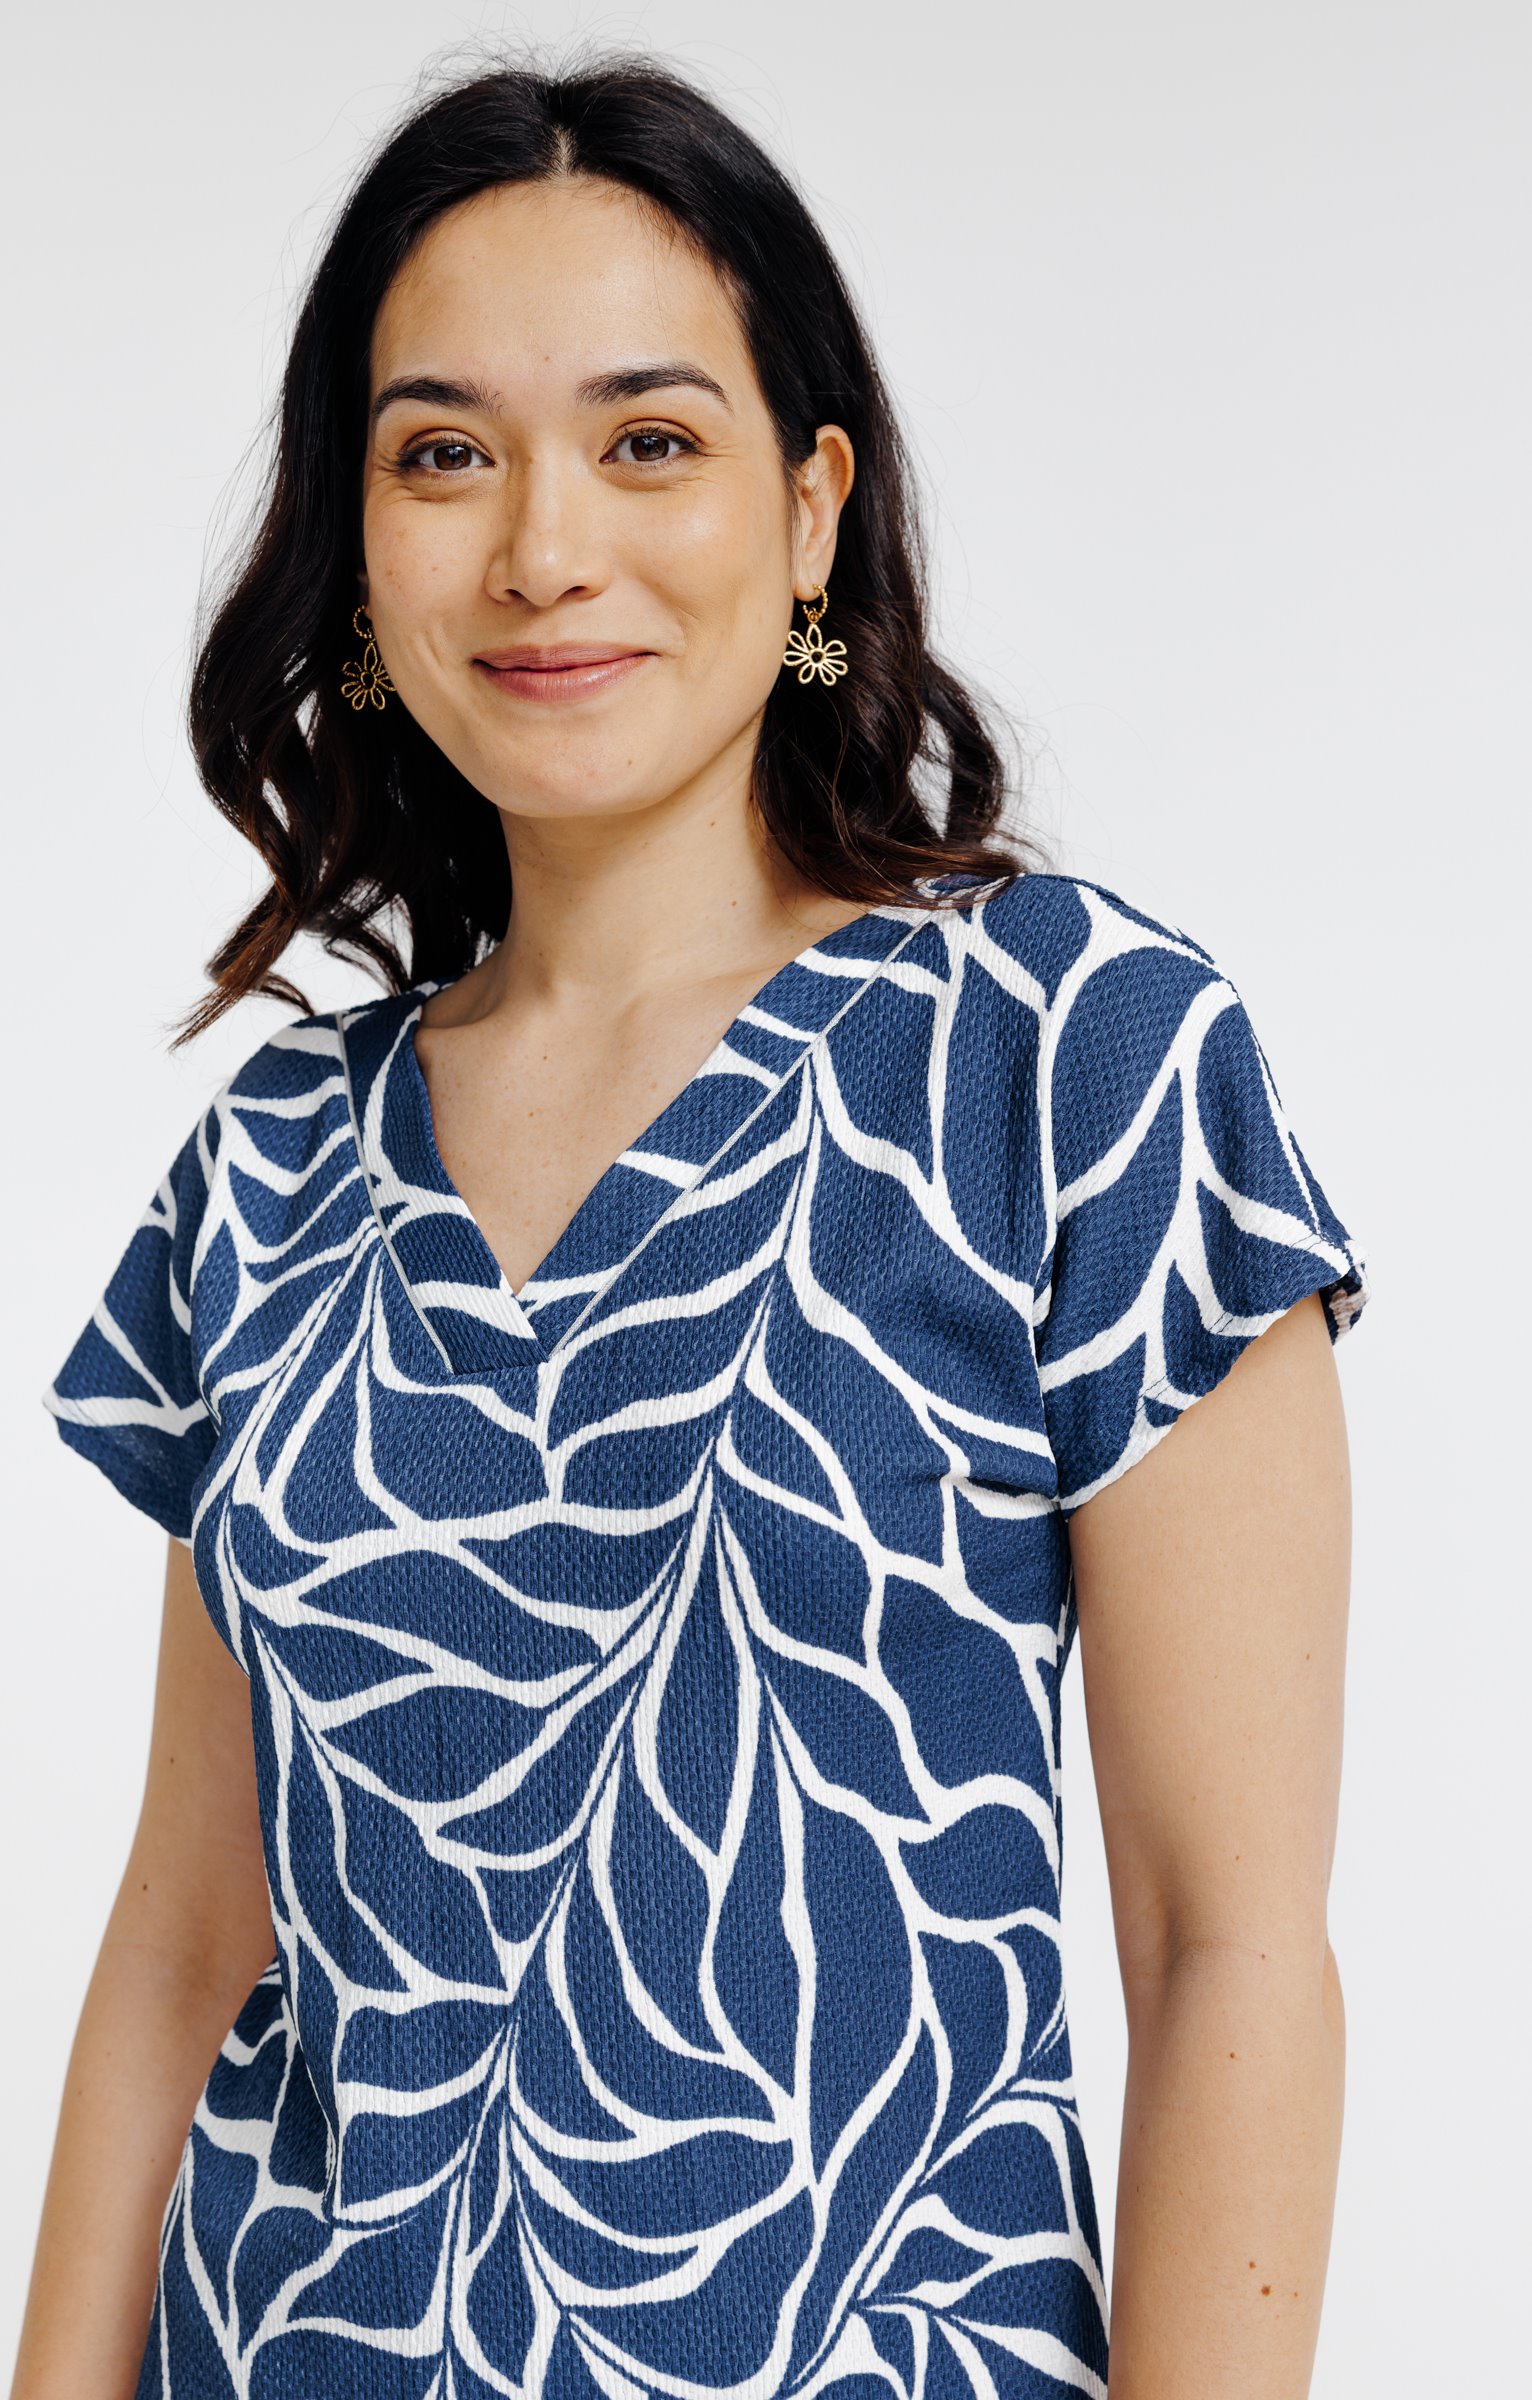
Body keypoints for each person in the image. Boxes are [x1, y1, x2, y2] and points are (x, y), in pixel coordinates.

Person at [15, 48, 1370, 2400]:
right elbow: (186, 1941)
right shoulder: (271, 1165)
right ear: (358, 547)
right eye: (443, 453)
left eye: (647, 439)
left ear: (809, 507)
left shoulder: (1073, 1055)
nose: (544, 548)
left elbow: (1223, 1943)